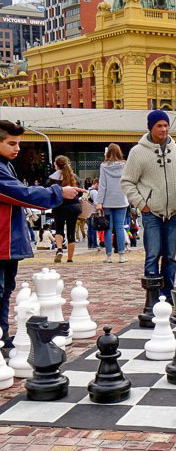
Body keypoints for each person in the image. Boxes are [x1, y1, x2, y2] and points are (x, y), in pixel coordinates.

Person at [0, 119, 83, 349]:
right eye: (11, 143)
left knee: (5, 290)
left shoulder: (6, 164)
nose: (17, 148)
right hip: (1, 242)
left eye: (18, 143)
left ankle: (3, 337)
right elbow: (21, 193)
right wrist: (58, 191)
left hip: (7, 243)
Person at [121, 110, 176, 300]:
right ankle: (152, 296)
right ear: (151, 127)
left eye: (166, 125)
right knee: (152, 255)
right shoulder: (138, 152)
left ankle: (167, 294)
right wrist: (142, 204)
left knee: (170, 256)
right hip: (151, 212)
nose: (163, 129)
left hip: (175, 211)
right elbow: (127, 181)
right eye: (159, 125)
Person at [97, 143, 130, 263]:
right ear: (119, 152)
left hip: (107, 201)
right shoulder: (125, 165)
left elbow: (102, 185)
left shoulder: (104, 166)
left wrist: (99, 202)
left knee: (108, 229)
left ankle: (109, 256)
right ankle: (121, 255)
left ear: (107, 153)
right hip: (121, 200)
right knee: (120, 228)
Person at [47, 155, 82, 263]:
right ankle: (70, 258)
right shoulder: (74, 177)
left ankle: (59, 249)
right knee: (71, 231)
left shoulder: (52, 178)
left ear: (56, 166)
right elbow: (80, 192)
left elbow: (48, 192)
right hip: (74, 206)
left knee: (59, 229)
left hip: (59, 206)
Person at [86, 178, 99, 250]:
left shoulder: (87, 191)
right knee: (94, 229)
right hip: (93, 212)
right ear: (96, 184)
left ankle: (90, 244)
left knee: (89, 229)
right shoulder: (94, 192)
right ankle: (94, 244)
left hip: (88, 212)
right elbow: (96, 203)